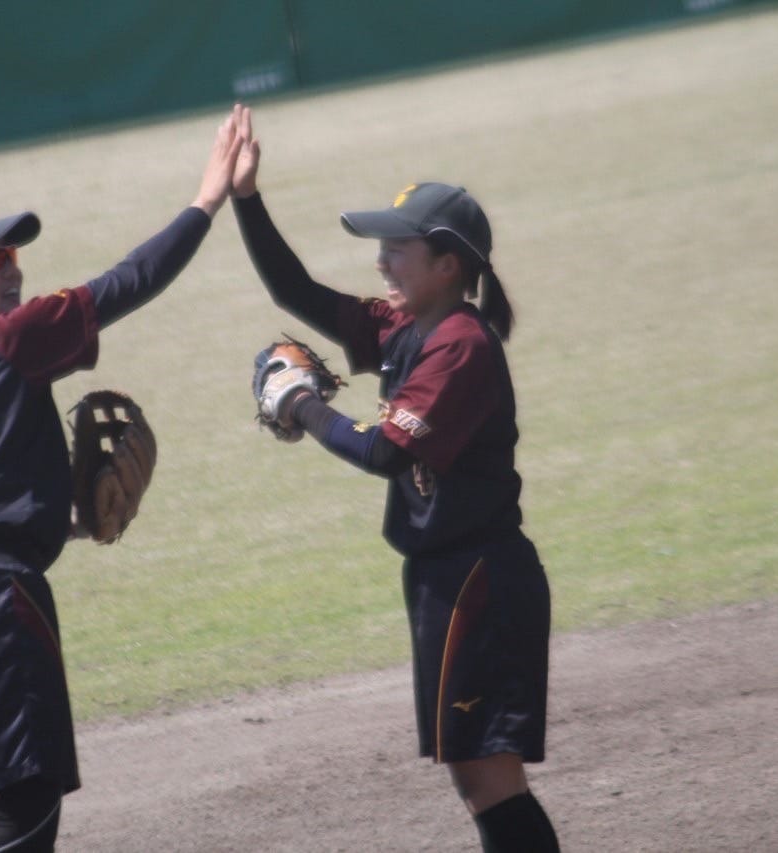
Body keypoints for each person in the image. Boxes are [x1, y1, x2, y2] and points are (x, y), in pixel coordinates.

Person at [0, 113, 243, 852]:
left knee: (12, 826)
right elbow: (129, 282)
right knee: (21, 826)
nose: (13, 267)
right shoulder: (1, 339)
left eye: (13, 252)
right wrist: (207, 201)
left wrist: (61, 520)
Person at [231, 106, 561, 852]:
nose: (381, 260)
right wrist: (247, 197)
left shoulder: (460, 346)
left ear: (447, 264)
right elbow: (295, 290)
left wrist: (299, 403)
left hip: (480, 581)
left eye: (397, 248)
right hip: (449, 578)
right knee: (477, 779)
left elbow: (384, 451)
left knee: (492, 778)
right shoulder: (404, 327)